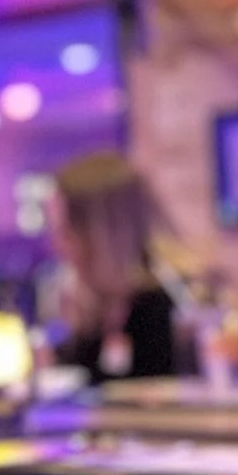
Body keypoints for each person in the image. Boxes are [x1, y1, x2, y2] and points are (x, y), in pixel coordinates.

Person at [45, 150, 182, 382]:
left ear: (102, 236)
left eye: (65, 232)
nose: (56, 246)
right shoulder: (91, 309)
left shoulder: (156, 312)